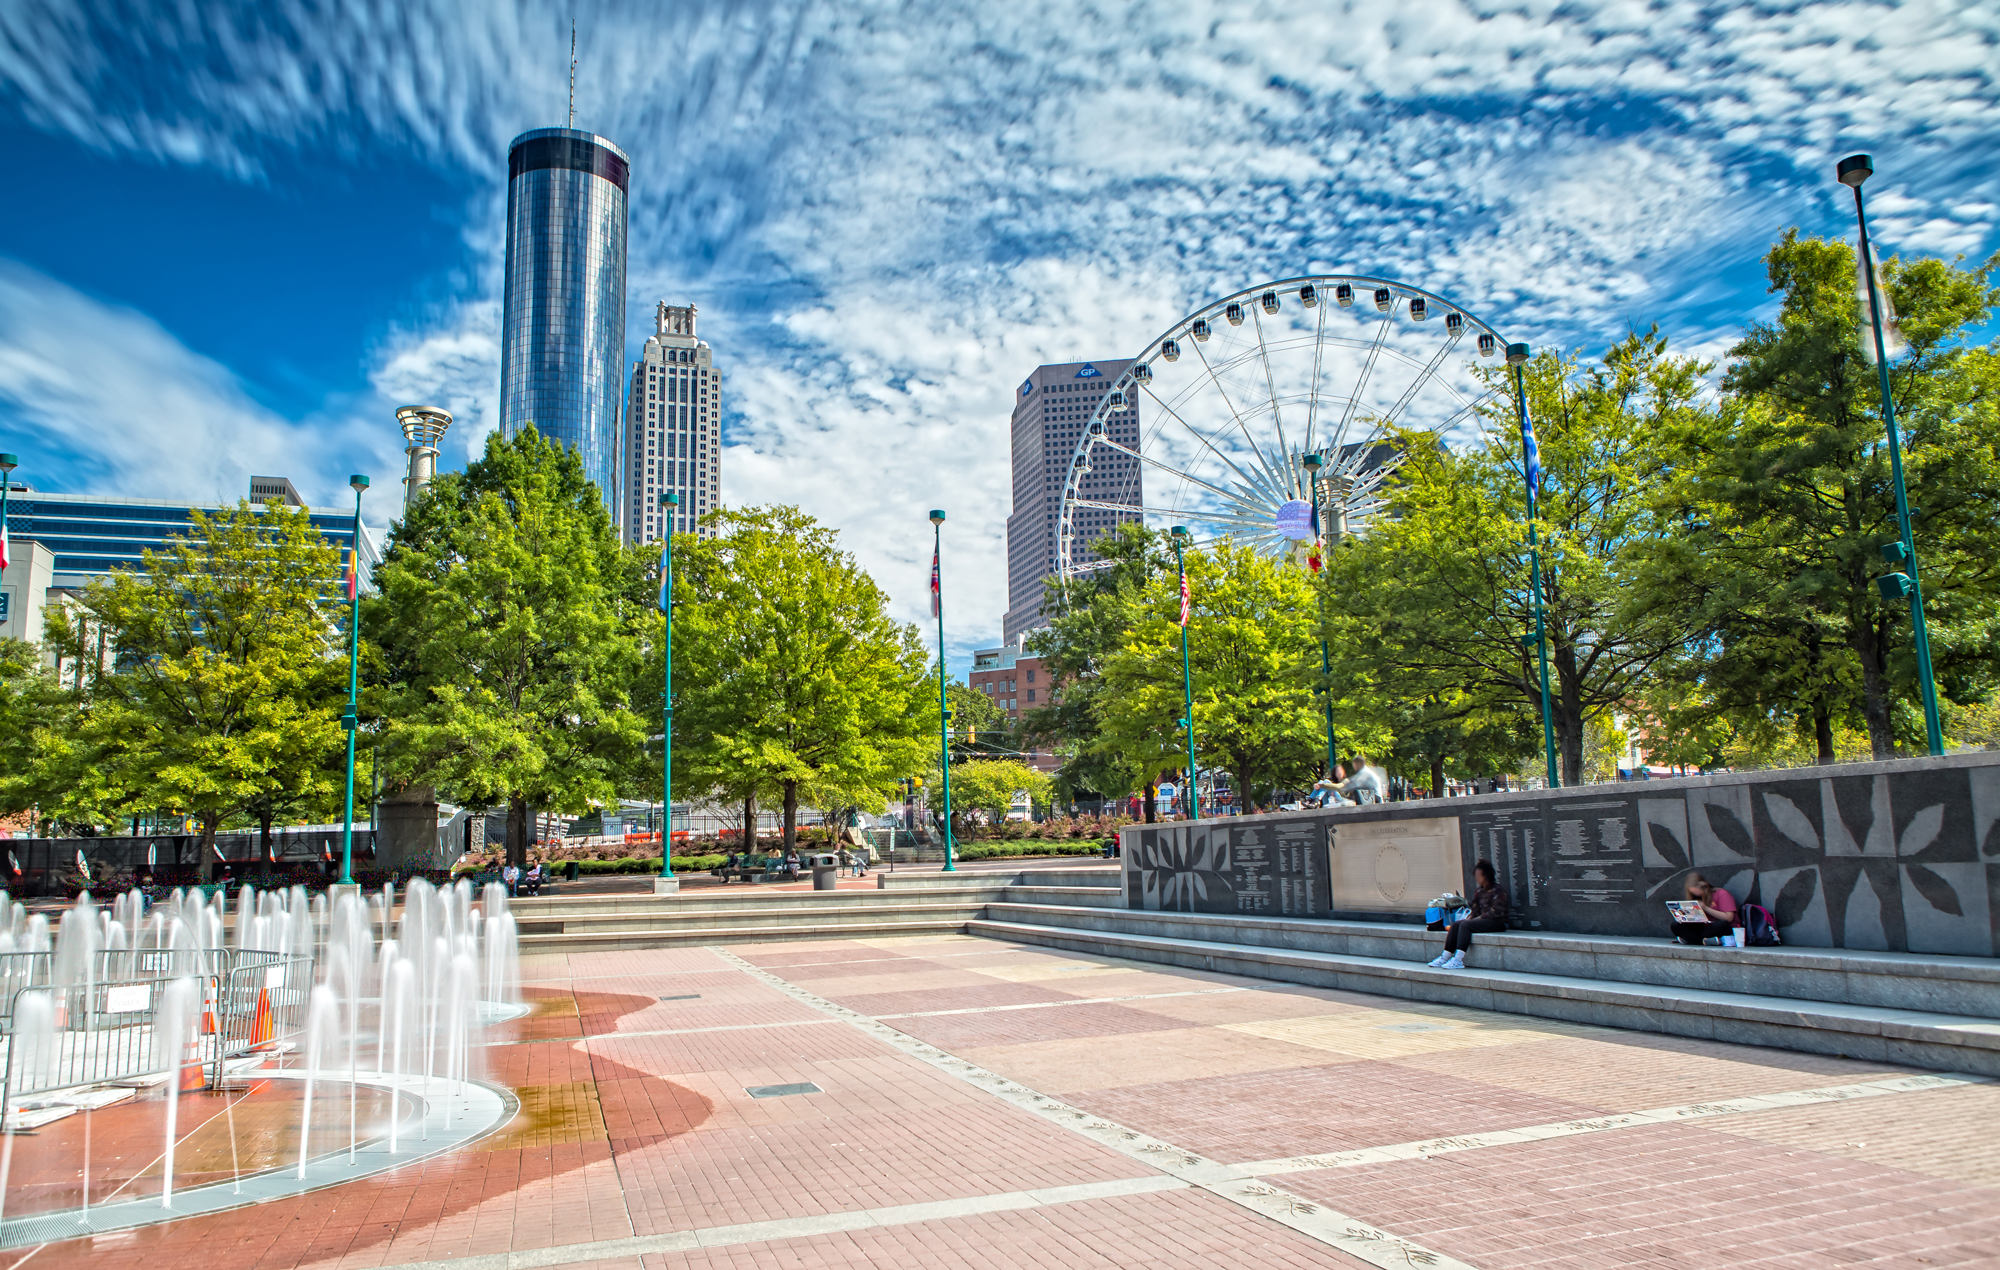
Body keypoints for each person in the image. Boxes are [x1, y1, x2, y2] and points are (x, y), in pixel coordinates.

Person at [1428, 860, 1507, 970]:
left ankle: (1458, 959)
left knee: (1466, 925)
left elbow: (1497, 911)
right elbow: (1475, 908)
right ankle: (1445, 956)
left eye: (1479, 875)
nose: (1476, 878)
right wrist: (1471, 916)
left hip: (1496, 922)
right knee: (1457, 925)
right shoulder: (1479, 891)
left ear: (1486, 875)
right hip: (1481, 920)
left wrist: (1478, 918)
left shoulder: (1498, 890)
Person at [1671, 872, 1739, 945]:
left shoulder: (1721, 894)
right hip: (1703, 927)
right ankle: (1706, 941)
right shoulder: (1695, 898)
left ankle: (1692, 939)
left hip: (1719, 926)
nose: (1697, 896)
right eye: (1694, 894)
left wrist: (1705, 908)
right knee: (1675, 925)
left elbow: (1729, 918)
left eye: (1700, 894)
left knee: (1719, 926)